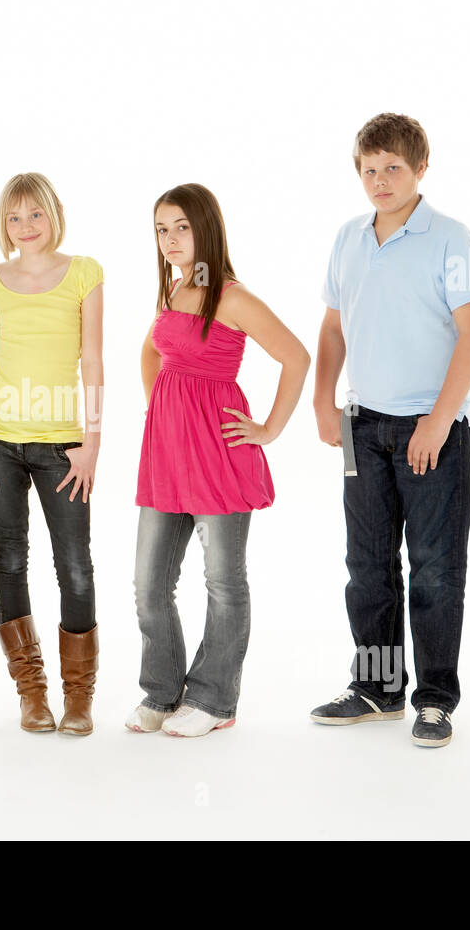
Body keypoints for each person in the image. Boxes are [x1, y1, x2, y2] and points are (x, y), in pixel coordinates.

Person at [309, 113, 470, 748]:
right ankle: (378, 689)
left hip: (431, 431)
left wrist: (437, 423)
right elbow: (333, 327)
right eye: (369, 169)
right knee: (368, 568)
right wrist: (322, 402)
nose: (380, 180)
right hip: (364, 426)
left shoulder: (452, 238)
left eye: (393, 168)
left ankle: (435, 699)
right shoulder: (348, 238)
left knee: (436, 570)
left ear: (420, 169)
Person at [126, 183, 310, 738]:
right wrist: (159, 408)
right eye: (162, 229)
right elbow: (152, 350)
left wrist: (269, 430)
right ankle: (161, 693)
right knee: (148, 585)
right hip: (167, 457)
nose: (171, 239)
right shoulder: (173, 290)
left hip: (220, 457)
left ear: (207, 229)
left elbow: (296, 356)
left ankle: (213, 698)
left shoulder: (230, 296)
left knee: (222, 581)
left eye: (181, 226)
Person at [0, 173, 104, 735]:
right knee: (9, 558)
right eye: (14, 218)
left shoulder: (86, 274)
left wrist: (91, 440)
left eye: (35, 215)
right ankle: (31, 691)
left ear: (54, 214)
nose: (25, 226)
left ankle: (80, 695)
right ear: (4, 225)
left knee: (74, 564)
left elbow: (92, 361)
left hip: (63, 445)